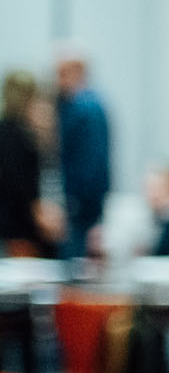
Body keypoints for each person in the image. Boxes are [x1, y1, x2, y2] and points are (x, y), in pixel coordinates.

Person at [51, 47, 110, 265]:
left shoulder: (82, 107)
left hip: (81, 197)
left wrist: (73, 196)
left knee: (75, 259)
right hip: (88, 195)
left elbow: (90, 158)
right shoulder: (93, 103)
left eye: (60, 74)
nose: (57, 81)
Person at [0, 72, 57, 259]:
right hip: (18, 225)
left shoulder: (9, 130)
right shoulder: (16, 135)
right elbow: (20, 182)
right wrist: (38, 211)